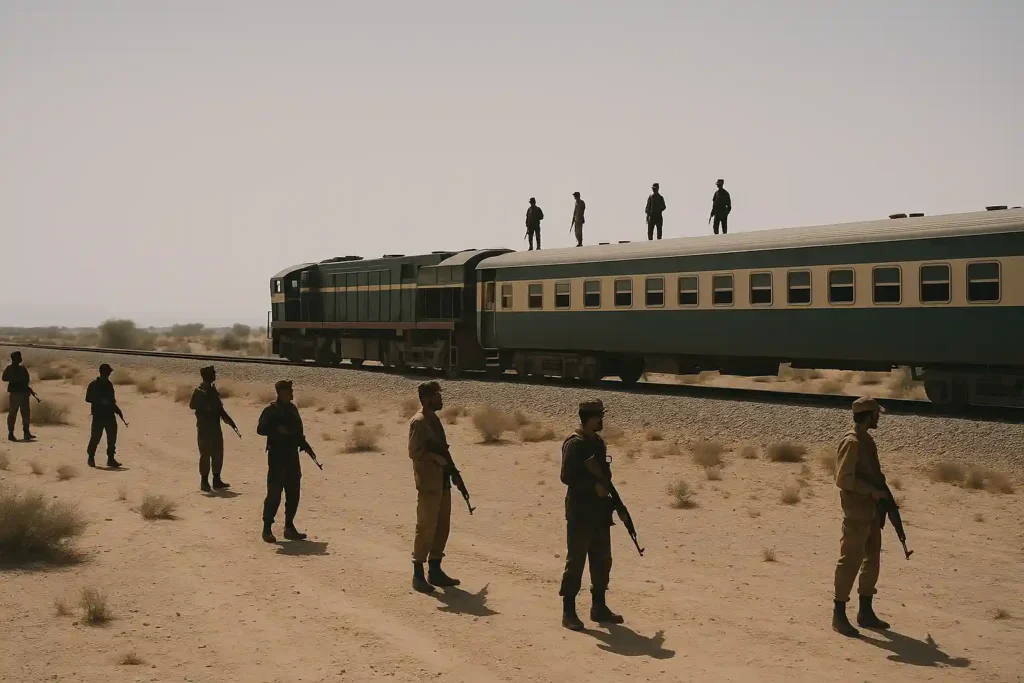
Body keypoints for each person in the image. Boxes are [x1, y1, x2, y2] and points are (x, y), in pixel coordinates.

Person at [558, 398, 624, 631]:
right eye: (599, 417)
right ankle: (568, 612)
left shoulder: (598, 443)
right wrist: (593, 486)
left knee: (602, 560)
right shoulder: (575, 444)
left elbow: (603, 475)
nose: (602, 420)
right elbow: (566, 476)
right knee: (576, 561)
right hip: (580, 511)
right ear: (588, 418)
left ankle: (599, 607)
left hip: (599, 511)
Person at [832, 396, 893, 637]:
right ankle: (839, 614)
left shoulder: (866, 439)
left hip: (870, 511)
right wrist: (871, 491)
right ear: (869, 416)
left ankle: (865, 612)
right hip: (856, 512)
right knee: (850, 561)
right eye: (876, 414)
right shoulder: (852, 441)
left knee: (872, 560)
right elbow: (843, 479)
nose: (879, 418)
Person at [408, 381, 461, 593]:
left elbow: (443, 450)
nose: (441, 398)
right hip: (429, 483)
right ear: (427, 398)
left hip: (442, 481)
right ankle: (418, 574)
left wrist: (451, 470)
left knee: (442, 525)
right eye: (437, 395)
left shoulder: (433, 419)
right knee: (426, 527)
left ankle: (435, 569)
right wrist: (434, 458)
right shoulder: (418, 422)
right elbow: (414, 452)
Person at [257, 380, 311, 543]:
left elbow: (298, 431)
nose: (292, 393)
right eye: (289, 391)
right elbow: (260, 429)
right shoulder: (271, 411)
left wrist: (304, 444)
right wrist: (276, 429)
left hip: (292, 457)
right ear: (281, 393)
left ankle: (289, 527)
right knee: (274, 494)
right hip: (277, 458)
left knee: (293, 493)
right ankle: (267, 528)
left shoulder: (292, 409)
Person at [189, 365, 238, 492]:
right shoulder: (199, 391)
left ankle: (216, 479)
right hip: (204, 427)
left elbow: (219, 408)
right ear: (206, 376)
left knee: (217, 453)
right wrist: (205, 403)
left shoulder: (212, 390)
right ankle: (204, 481)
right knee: (205, 454)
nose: (214, 375)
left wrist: (228, 420)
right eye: (212, 374)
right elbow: (192, 405)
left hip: (215, 427)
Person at [85, 363, 122, 467]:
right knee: (96, 437)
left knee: (112, 437)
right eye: (107, 372)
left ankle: (111, 459)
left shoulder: (109, 385)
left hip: (109, 415)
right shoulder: (93, 385)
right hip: (98, 415)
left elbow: (112, 400)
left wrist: (118, 410)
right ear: (102, 373)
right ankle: (91, 457)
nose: (108, 374)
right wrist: (100, 401)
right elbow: (87, 398)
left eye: (109, 373)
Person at [3, 351, 34, 442]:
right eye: (19, 357)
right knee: (13, 414)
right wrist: (15, 377)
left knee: (25, 414)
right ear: (15, 358)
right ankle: (11, 433)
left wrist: (29, 389)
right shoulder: (10, 368)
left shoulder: (22, 368)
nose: (21, 358)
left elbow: (26, 380)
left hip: (23, 393)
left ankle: (26, 433)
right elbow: (4, 378)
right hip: (15, 394)